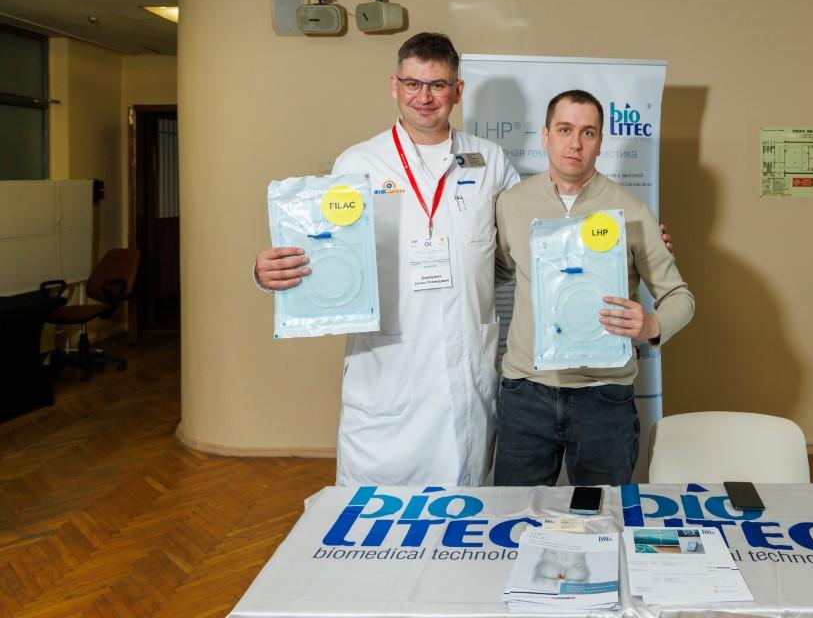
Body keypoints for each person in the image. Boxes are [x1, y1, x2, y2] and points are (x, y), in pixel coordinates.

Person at [255, 33, 520, 486]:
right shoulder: (359, 162)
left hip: (464, 368)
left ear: (457, 90)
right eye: (413, 84)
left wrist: (613, 248)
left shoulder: (489, 161)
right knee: (375, 512)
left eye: (438, 85)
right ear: (394, 86)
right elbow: (328, 255)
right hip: (388, 368)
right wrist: (269, 273)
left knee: (460, 511)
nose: (424, 97)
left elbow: (523, 242)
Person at [493, 89, 695, 487]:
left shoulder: (632, 212)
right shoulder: (511, 204)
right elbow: (495, 271)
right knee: (515, 515)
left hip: (604, 398)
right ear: (545, 135)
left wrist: (652, 325)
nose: (575, 143)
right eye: (564, 129)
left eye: (588, 133)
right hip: (526, 394)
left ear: (600, 142)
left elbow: (680, 296)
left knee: (603, 514)